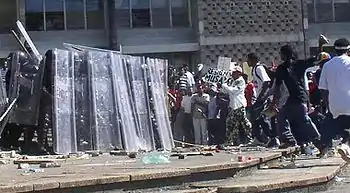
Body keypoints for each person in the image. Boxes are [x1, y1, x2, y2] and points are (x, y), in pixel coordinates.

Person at [270, 44, 321, 148]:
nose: (280, 56)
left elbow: (277, 87)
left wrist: (273, 102)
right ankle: (290, 140)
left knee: (301, 119)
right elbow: (316, 58)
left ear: (284, 54)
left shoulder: (283, 68)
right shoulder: (298, 64)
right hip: (297, 97)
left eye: (281, 53)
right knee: (284, 116)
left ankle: (319, 141)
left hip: (298, 97)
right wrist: (320, 45)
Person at [318, 38, 350, 161]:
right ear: (348, 49)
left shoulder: (327, 65)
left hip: (334, 103)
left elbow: (323, 89)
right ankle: (345, 145)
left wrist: (328, 105)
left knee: (343, 125)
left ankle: (344, 146)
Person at [247, 53, 279, 147]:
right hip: (259, 98)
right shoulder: (254, 69)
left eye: (248, 60)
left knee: (261, 118)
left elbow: (266, 82)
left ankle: (273, 138)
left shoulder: (259, 68)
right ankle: (259, 138)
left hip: (263, 98)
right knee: (255, 118)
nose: (247, 62)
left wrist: (262, 96)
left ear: (253, 60)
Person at [219, 66, 252, 146]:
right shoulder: (234, 81)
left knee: (241, 123)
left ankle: (250, 138)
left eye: (234, 72)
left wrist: (224, 85)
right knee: (234, 123)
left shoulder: (240, 81)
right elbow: (227, 91)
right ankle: (232, 140)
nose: (232, 74)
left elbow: (234, 91)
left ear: (239, 73)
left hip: (239, 105)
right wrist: (221, 86)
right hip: (234, 106)